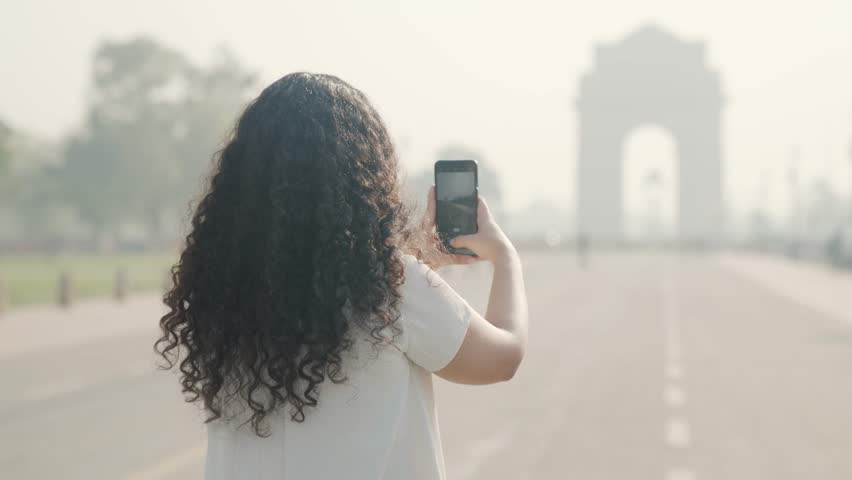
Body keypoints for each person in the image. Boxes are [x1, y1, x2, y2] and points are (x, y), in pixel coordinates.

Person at [156, 72, 528, 480]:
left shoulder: (222, 293)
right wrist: (505, 257)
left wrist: (421, 264)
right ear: (365, 174)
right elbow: (501, 358)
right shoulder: (395, 289)